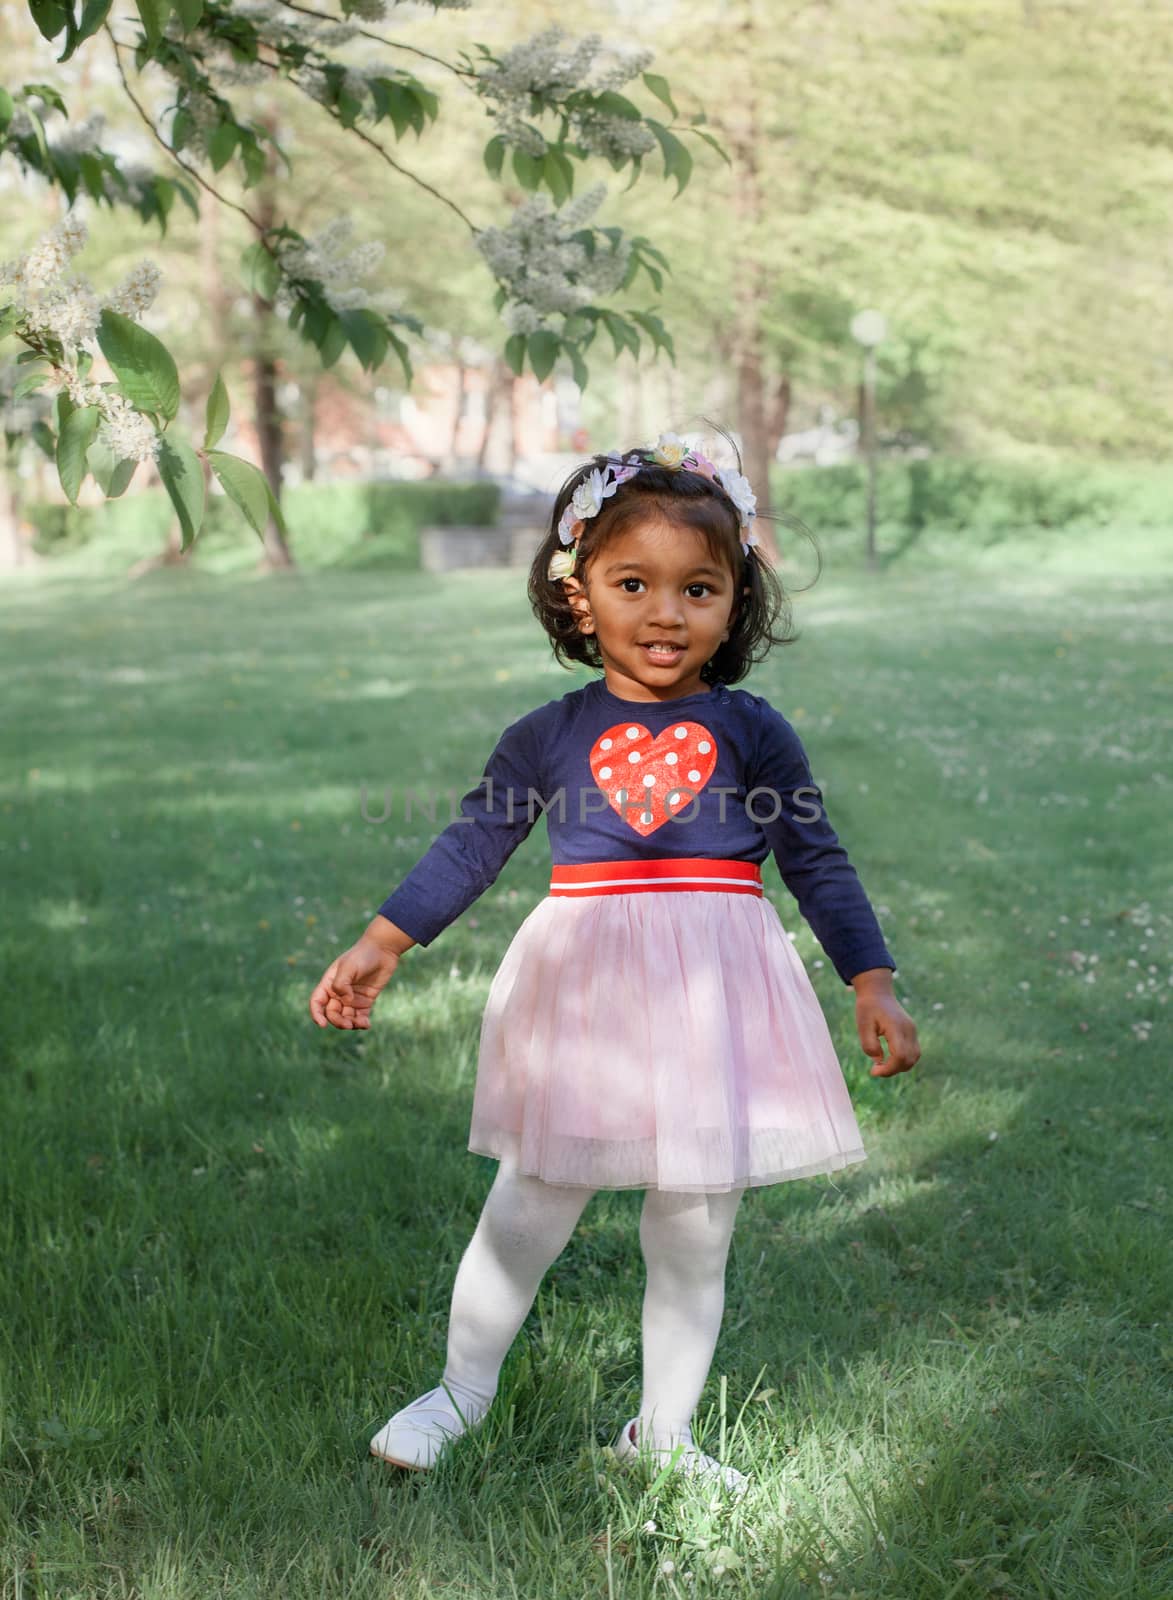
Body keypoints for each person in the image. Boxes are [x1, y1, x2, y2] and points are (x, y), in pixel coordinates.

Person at [310, 427, 921, 1494]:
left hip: (715, 999)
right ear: (578, 592)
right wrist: (382, 941)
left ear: (736, 604)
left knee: (694, 1227)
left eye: (700, 587)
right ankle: (459, 1391)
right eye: (633, 582)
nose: (666, 611)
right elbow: (473, 843)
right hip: (587, 1001)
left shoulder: (754, 733)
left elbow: (816, 858)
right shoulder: (547, 734)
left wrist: (871, 977)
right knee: (532, 1201)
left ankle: (666, 1434)